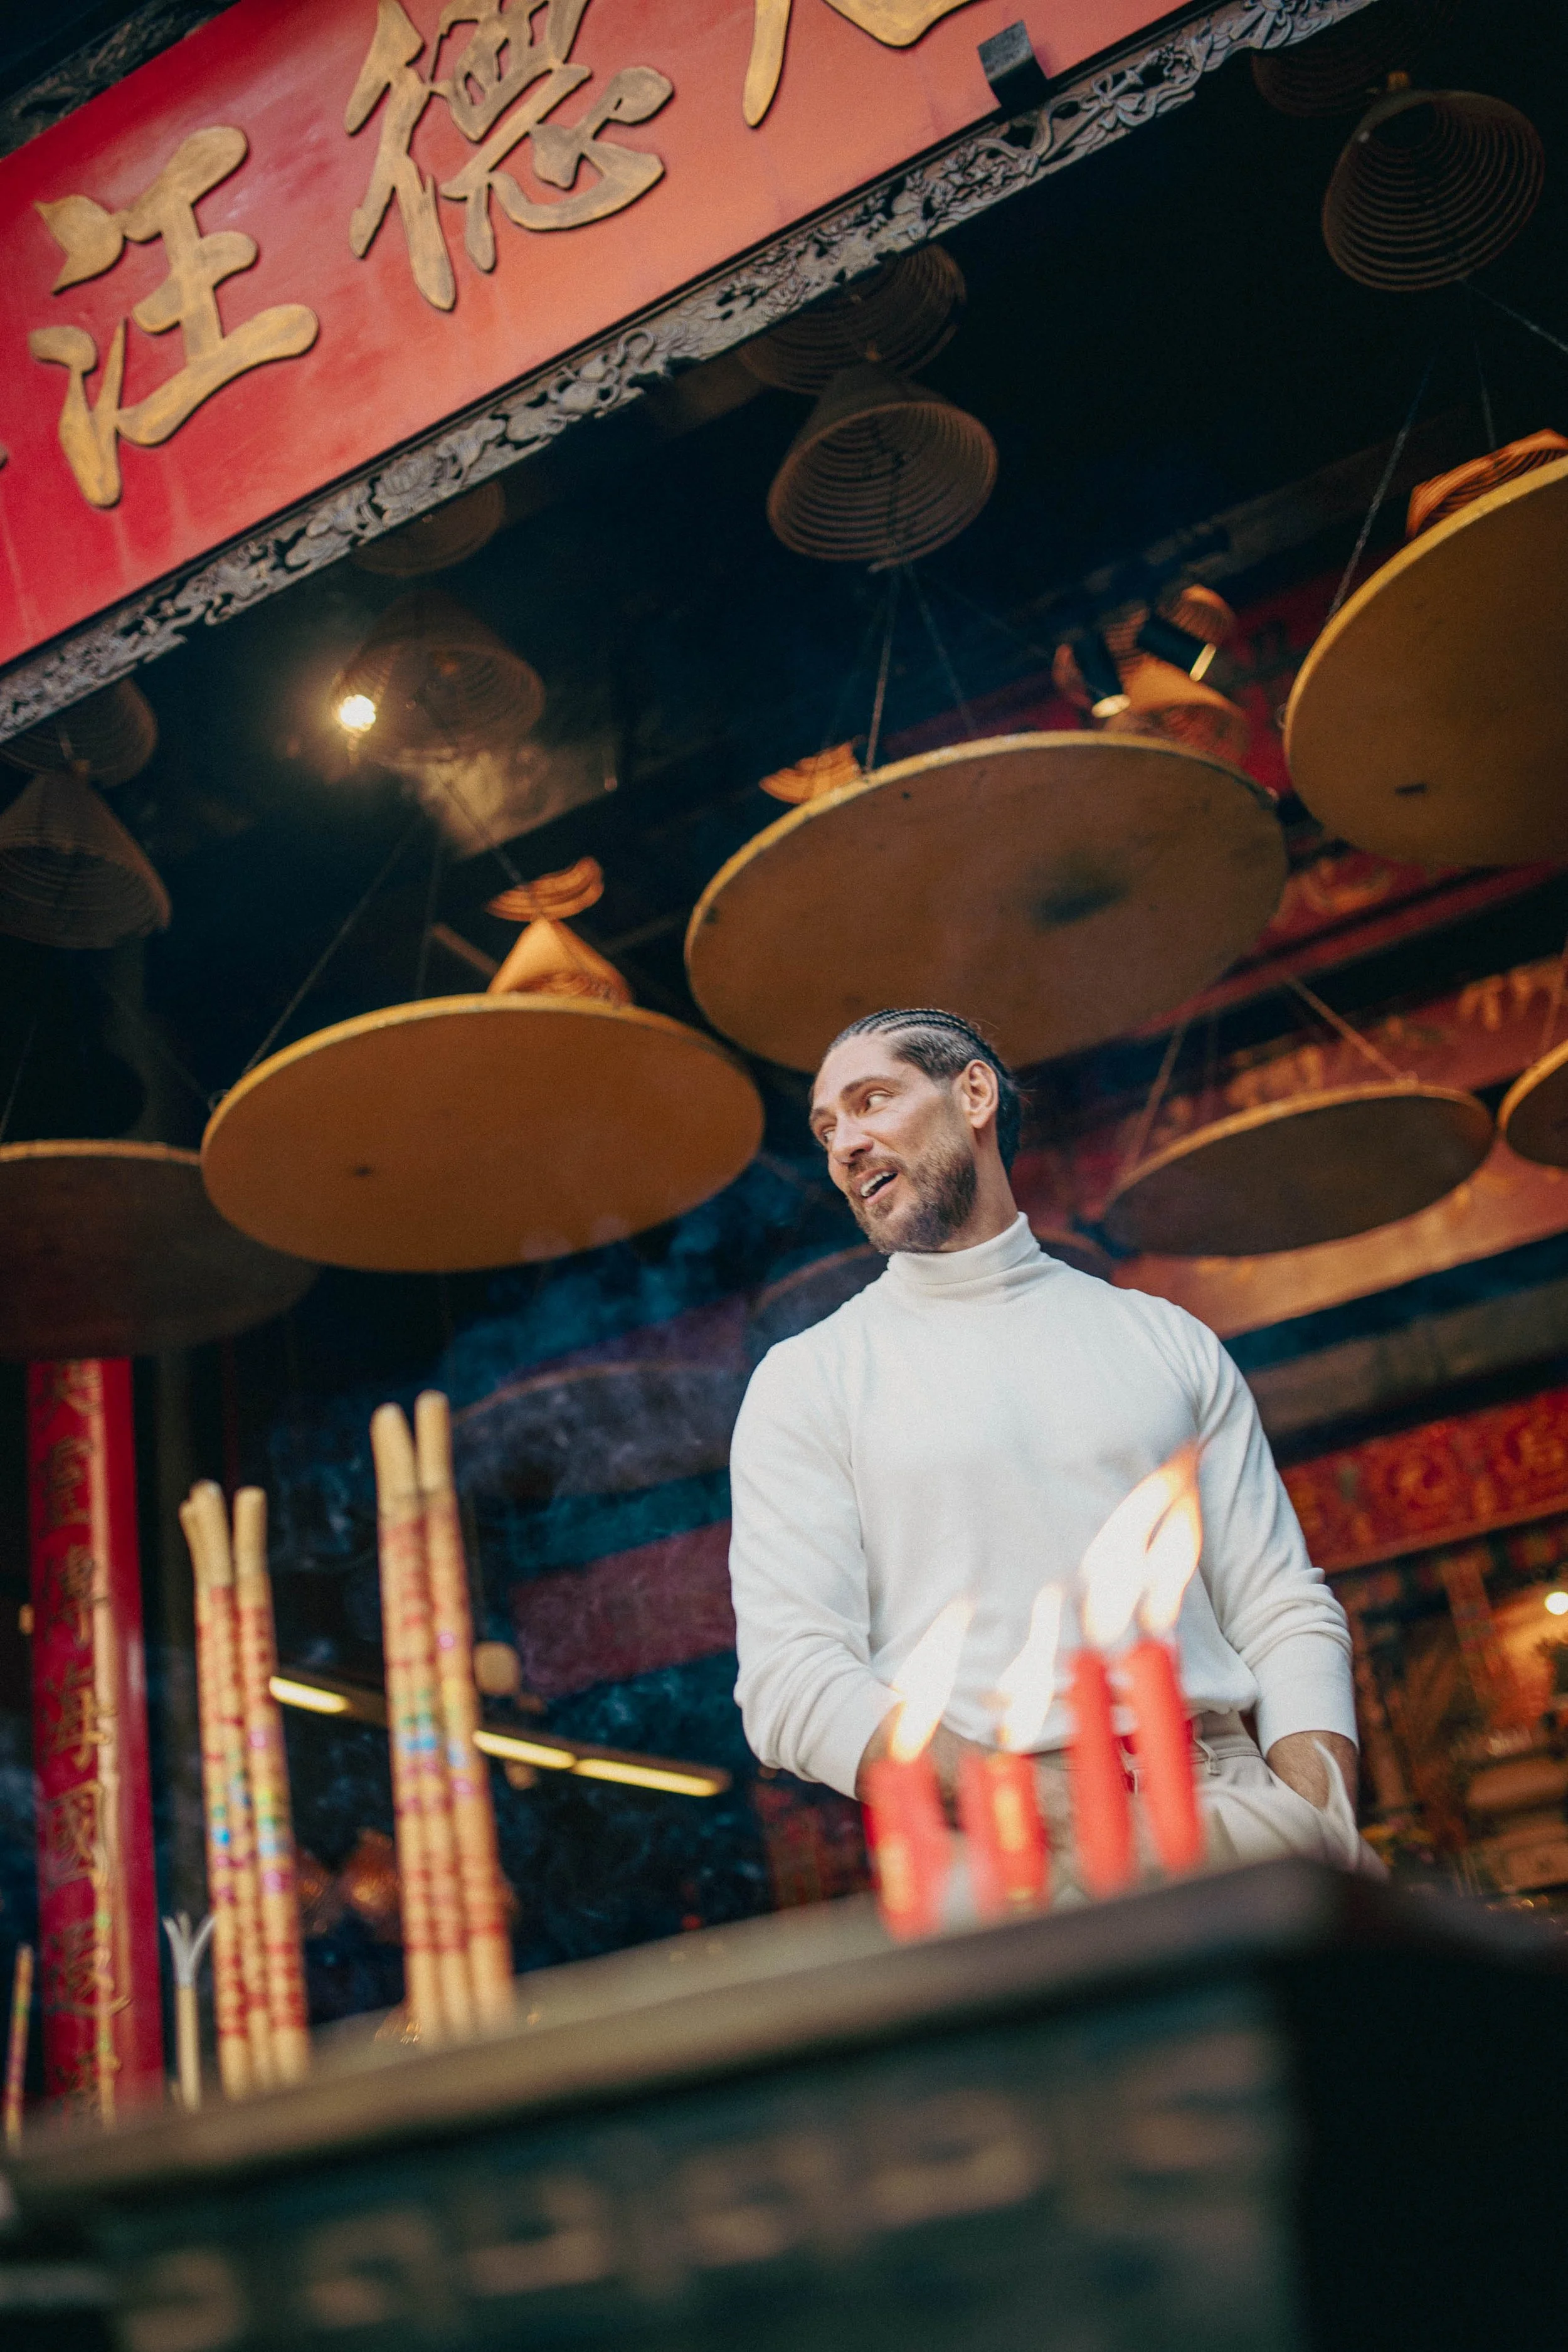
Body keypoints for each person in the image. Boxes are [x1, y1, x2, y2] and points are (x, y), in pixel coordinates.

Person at [728, 1006, 1376, 1895]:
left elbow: (1281, 1603)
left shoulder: (1165, 1337)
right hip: (1003, 1853)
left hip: (1233, 1809)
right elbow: (792, 1682)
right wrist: (1066, 1815)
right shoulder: (808, 1380)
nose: (845, 1144)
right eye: (826, 1128)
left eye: (871, 1100)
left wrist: (1319, 1814)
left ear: (974, 1094)